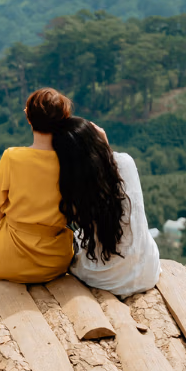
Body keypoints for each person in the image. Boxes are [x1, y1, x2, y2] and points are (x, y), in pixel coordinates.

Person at [0, 87, 76, 283]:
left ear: (28, 118)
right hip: (54, 262)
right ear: (64, 120)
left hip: (7, 259)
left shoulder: (12, 156)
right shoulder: (70, 160)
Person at [64, 117, 160, 295]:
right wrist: (104, 145)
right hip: (147, 272)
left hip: (105, 279)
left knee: (73, 239)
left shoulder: (73, 183)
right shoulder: (126, 162)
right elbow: (108, 171)